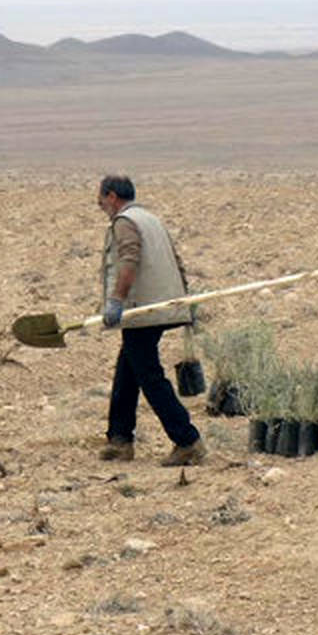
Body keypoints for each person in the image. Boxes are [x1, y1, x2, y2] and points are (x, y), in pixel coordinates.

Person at [95, 175, 207, 466]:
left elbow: (129, 260)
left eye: (101, 200)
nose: (101, 206)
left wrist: (116, 300)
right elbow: (176, 260)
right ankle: (120, 439)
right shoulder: (150, 218)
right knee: (128, 371)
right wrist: (185, 301)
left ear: (111, 196)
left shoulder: (125, 222)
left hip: (142, 311)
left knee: (149, 376)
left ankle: (187, 441)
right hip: (159, 307)